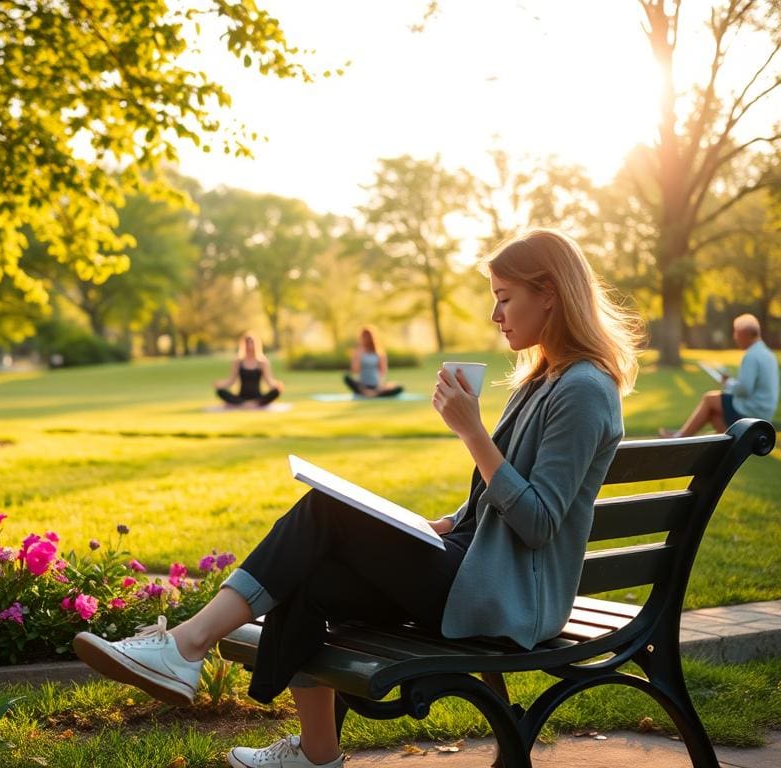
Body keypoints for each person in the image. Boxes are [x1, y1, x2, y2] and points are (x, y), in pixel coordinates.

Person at [74, 229, 642, 768]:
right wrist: (443, 524)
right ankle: (315, 753)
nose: (495, 316)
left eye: (504, 299)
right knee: (307, 573)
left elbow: (541, 521)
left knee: (324, 510)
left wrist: (472, 433)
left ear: (548, 294)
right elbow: (500, 500)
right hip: (476, 568)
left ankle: (187, 644)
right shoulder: (546, 379)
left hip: (508, 600)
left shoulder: (584, 389)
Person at [659, 313, 779, 437]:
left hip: (751, 410)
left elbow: (744, 390)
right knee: (713, 414)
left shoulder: (751, 356)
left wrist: (727, 383)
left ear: (744, 334)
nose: (735, 337)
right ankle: (728, 445)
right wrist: (731, 381)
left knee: (709, 399)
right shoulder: (767, 354)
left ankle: (679, 437)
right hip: (764, 410)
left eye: (736, 333)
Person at [214, 332, 284, 407]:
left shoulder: (262, 362)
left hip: (258, 397)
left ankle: (253, 403)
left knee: (276, 391)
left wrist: (276, 385)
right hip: (241, 397)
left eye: (252, 343)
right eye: (247, 343)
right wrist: (221, 384)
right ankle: (245, 403)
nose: (249, 346)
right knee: (220, 391)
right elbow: (231, 380)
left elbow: (268, 380)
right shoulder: (238, 362)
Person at [342, 325, 404, 398]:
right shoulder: (358, 352)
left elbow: (383, 371)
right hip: (362, 385)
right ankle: (367, 392)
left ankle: (373, 393)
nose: (366, 339)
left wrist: (380, 386)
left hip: (376, 385)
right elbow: (355, 370)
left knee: (398, 387)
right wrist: (358, 356)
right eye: (364, 337)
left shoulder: (379, 352)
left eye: (367, 337)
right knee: (346, 377)